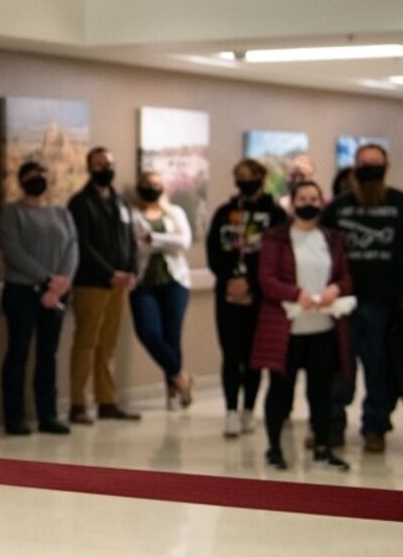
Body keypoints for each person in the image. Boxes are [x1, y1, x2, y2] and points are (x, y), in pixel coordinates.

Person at [325, 143, 403, 454]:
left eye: (375, 163)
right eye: (363, 163)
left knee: (379, 368)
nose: (369, 168)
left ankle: (375, 427)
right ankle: (332, 426)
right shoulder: (338, 207)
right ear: (354, 167)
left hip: (386, 303)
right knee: (339, 369)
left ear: (386, 167)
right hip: (342, 302)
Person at [250, 181, 354, 472]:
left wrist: (335, 289)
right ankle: (274, 447)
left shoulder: (332, 239)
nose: (308, 202)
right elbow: (267, 279)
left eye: (314, 198)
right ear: (292, 202)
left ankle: (323, 447)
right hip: (288, 328)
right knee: (280, 390)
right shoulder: (276, 238)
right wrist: (296, 294)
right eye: (303, 198)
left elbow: (346, 277)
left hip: (323, 326)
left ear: (321, 203)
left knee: (321, 392)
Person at [205, 159, 287, 438]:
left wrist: (252, 283)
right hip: (227, 293)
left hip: (260, 295)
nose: (243, 181)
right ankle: (230, 410)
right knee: (231, 353)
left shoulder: (275, 214)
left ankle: (248, 409)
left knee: (253, 356)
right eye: (238, 176)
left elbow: (278, 256)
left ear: (260, 178)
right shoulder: (225, 212)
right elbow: (214, 251)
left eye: (248, 176)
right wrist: (230, 280)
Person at [0, 159, 77, 435]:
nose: (37, 179)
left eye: (41, 174)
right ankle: (15, 416)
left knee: (48, 355)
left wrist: (60, 283)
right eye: (31, 175)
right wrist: (46, 280)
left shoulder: (61, 213)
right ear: (21, 181)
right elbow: (14, 251)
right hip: (22, 292)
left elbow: (71, 247)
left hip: (57, 294)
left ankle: (48, 414)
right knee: (18, 353)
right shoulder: (12, 213)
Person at [66, 146, 143, 424]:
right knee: (86, 342)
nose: (105, 169)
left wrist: (132, 270)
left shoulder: (120, 203)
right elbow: (82, 245)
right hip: (92, 283)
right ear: (90, 168)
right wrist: (109, 272)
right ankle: (78, 403)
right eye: (99, 165)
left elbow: (130, 240)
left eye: (108, 164)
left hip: (120, 285)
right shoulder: (80, 203)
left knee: (108, 344)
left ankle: (106, 400)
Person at [127, 168, 195, 408]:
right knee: (149, 332)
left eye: (156, 183)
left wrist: (153, 239)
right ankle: (180, 376)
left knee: (172, 336)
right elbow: (136, 246)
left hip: (175, 282)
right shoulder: (131, 215)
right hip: (144, 283)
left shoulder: (174, 212)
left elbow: (184, 241)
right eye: (147, 183)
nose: (152, 187)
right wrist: (165, 241)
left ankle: (173, 392)